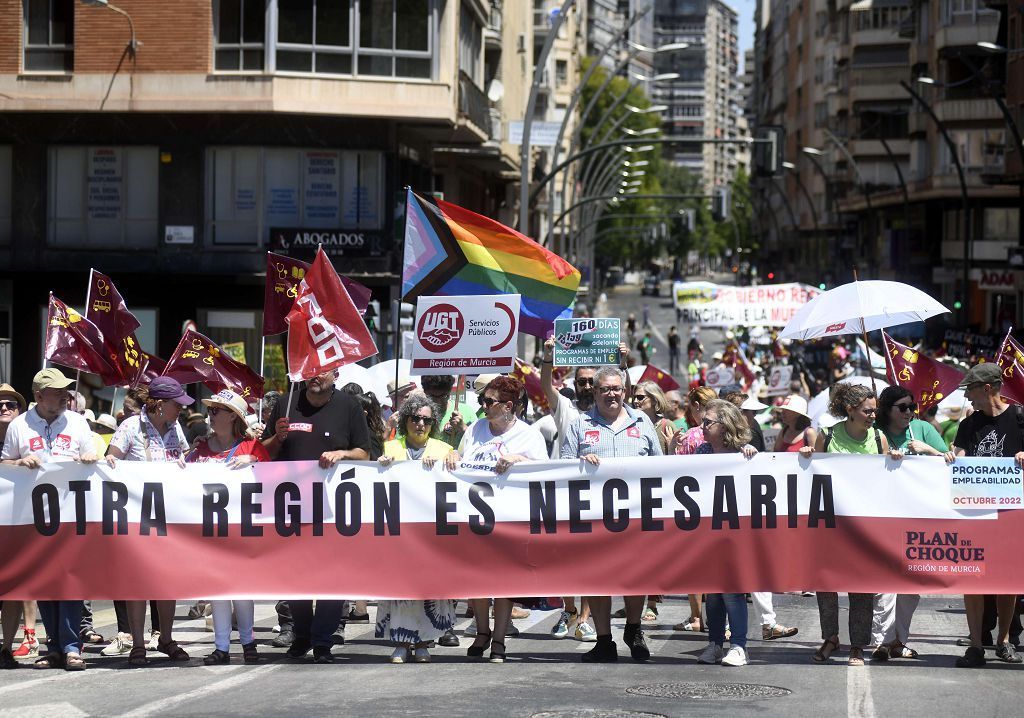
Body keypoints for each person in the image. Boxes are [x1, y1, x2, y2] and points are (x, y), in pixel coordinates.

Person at [261, 368, 370, 664]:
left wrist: (342, 454)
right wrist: (277, 438)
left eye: (321, 371)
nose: (314, 376)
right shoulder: (287, 403)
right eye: (310, 370)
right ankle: (303, 635)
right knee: (295, 576)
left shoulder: (349, 406)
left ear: (335, 373)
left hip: (333, 509)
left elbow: (365, 452)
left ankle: (323, 640)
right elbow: (265, 453)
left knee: (331, 576)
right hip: (291, 507)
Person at [560, 366, 662, 663]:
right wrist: (579, 461)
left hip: (635, 519)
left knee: (637, 577)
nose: (611, 394)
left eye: (616, 388)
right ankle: (604, 640)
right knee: (597, 578)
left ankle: (633, 628)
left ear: (625, 391)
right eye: (604, 389)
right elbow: (563, 467)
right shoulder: (580, 424)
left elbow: (660, 466)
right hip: (593, 519)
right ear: (594, 391)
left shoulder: (642, 422)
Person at [444, 376, 548, 663]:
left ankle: (499, 639)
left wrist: (519, 461)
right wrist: (452, 453)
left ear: (508, 406)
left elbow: (546, 472)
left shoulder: (529, 436)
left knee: (503, 580)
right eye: (482, 401)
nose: (483, 407)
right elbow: (462, 456)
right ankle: (482, 631)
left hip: (508, 519)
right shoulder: (476, 428)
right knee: (476, 578)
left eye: (488, 402)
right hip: (474, 517)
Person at [2, 369, 98, 671]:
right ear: (39, 395)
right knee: (45, 583)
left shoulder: (78, 422)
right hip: (35, 519)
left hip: (72, 515)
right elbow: (4, 464)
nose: (64, 395)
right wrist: (18, 462)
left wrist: (89, 459)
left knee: (70, 580)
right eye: (58, 391)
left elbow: (92, 457)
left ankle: (71, 647)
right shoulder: (19, 425)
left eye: (66, 391)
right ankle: (53, 647)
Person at [799, 382, 901, 666]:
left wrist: (893, 459)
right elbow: (813, 476)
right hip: (830, 524)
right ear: (850, 410)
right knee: (826, 583)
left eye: (874, 410)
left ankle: (858, 644)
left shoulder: (879, 438)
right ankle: (830, 637)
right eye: (868, 411)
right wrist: (808, 457)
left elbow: (887, 480)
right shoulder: (827, 437)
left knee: (861, 585)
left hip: (864, 526)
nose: (873, 415)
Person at [106, 377, 193, 667]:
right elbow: (111, 460)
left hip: (168, 516)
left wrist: (190, 458)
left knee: (166, 579)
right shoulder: (130, 427)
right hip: (135, 517)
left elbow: (185, 458)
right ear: (159, 404)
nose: (181, 408)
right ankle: (138, 644)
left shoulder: (176, 427)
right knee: (138, 581)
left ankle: (165, 638)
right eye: (176, 403)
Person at [944, 364, 1024, 668]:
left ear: (988, 388)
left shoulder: (1020, 417)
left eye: (971, 390)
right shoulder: (968, 424)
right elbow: (961, 457)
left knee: (1007, 580)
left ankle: (1004, 641)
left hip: (1011, 515)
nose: (967, 396)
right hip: (975, 514)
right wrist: (953, 457)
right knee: (971, 578)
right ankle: (976, 645)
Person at [186, 390, 269, 665]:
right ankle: (221, 647)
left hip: (242, 530)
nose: (210, 415)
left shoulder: (251, 447)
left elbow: (274, 477)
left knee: (243, 589)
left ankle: (248, 642)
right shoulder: (199, 448)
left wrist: (255, 461)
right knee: (218, 591)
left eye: (216, 411)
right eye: (209, 410)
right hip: (209, 532)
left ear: (233, 417)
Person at [868, 386, 948, 662]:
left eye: (911, 406)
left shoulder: (923, 429)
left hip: (920, 517)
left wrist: (927, 450)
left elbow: (950, 463)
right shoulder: (875, 433)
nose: (909, 412)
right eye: (902, 407)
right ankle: (882, 641)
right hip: (885, 517)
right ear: (886, 409)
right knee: (884, 584)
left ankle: (899, 640)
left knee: (910, 586)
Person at [376, 394, 456, 663]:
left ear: (433, 423)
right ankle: (400, 643)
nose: (420, 424)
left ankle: (423, 642)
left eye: (426, 420)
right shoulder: (391, 448)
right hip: (399, 533)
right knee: (401, 590)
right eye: (415, 418)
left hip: (431, 534)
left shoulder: (444, 450)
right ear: (406, 420)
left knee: (427, 589)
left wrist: (452, 461)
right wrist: (381, 466)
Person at [694, 399, 758, 666]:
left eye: (708, 421)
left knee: (732, 590)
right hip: (708, 533)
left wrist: (753, 458)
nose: (702, 426)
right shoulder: (701, 452)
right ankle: (715, 643)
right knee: (713, 592)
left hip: (736, 532)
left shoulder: (744, 453)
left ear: (725, 425)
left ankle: (739, 646)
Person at [0, 383, 34, 669]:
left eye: (11, 404)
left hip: (18, 524)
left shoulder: (27, 438)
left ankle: (6, 647)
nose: (4, 408)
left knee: (13, 589)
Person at [420, 375, 474, 449]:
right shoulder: (418, 414)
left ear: (450, 391)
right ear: (425, 392)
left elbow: (480, 441)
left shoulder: (466, 411)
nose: (438, 402)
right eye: (432, 397)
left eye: (443, 396)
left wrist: (464, 428)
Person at [631, 381, 676, 454]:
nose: (635, 401)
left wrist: (672, 448)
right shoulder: (630, 424)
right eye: (634, 397)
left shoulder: (667, 426)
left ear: (654, 400)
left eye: (640, 397)